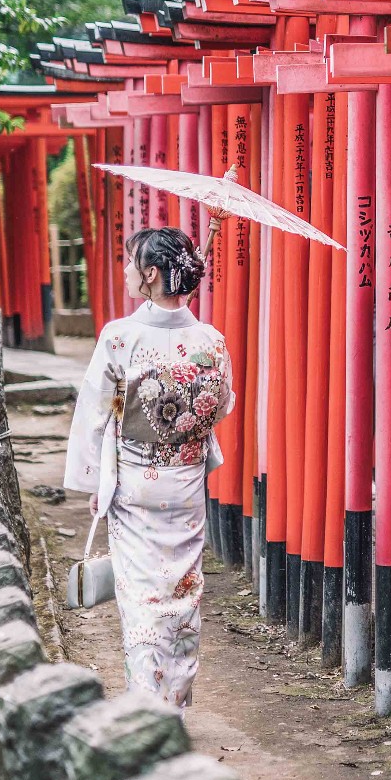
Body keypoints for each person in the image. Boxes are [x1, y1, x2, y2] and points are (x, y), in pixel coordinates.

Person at [64, 225, 233, 707]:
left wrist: (95, 481)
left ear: (152, 274)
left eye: (131, 262)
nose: (125, 269)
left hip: (136, 486)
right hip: (185, 486)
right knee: (183, 594)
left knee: (142, 598)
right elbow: (221, 405)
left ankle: (145, 705)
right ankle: (175, 704)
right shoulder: (212, 341)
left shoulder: (120, 337)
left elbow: (94, 412)